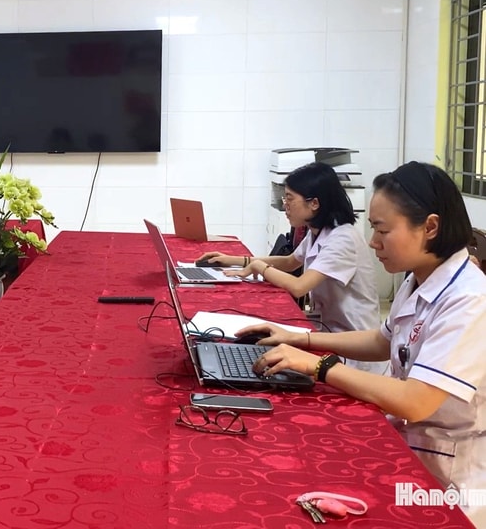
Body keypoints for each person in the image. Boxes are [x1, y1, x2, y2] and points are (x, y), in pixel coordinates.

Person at [237, 161, 486, 526]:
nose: (373, 242)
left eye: (383, 230)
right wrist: (300, 338)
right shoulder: (420, 279)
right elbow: (381, 340)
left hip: (448, 477)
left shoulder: (470, 300)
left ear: (430, 227)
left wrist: (321, 366)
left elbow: (416, 401)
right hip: (410, 443)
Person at [198, 162, 381, 371]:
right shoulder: (319, 231)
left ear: (314, 203)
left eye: (290, 198)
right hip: (327, 331)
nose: (285, 205)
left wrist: (260, 267)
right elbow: (290, 262)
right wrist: (233, 259)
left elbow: (299, 287)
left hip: (352, 345)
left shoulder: (343, 239)